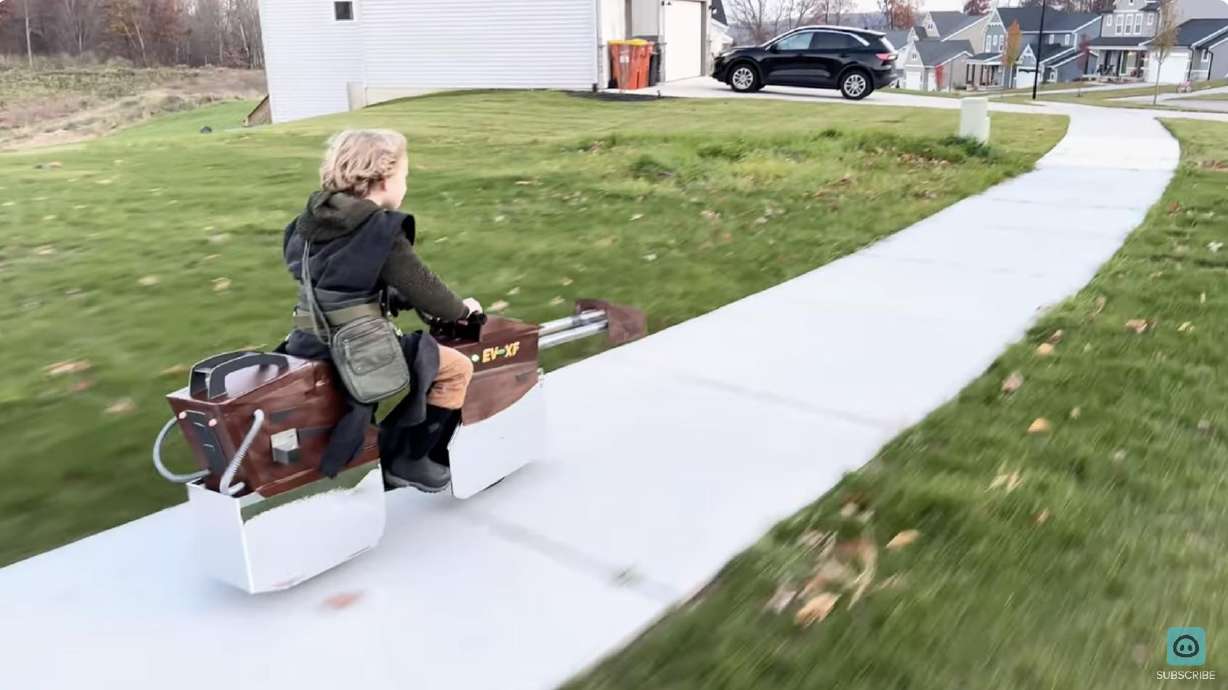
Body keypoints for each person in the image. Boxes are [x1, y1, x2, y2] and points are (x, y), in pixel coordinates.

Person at [280, 129, 481, 493]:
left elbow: (338, 280)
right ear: (383, 179)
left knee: (414, 361)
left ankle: (385, 444)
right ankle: (411, 459)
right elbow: (427, 290)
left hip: (308, 342)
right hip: (357, 348)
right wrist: (459, 309)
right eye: (404, 176)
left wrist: (389, 297)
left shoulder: (305, 225)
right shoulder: (379, 230)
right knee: (454, 369)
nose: (405, 184)